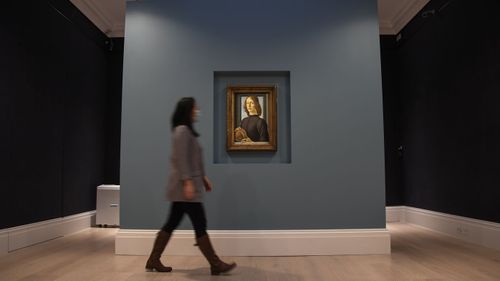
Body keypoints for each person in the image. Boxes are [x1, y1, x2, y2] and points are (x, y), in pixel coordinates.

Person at [145, 97, 237, 275]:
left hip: (187, 186)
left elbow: (192, 159)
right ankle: (215, 264)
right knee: (199, 222)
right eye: (195, 109)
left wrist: (203, 178)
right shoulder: (182, 131)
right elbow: (181, 159)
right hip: (185, 187)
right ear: (187, 111)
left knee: (172, 223)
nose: (197, 112)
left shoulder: (186, 131)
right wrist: (188, 182)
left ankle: (153, 259)